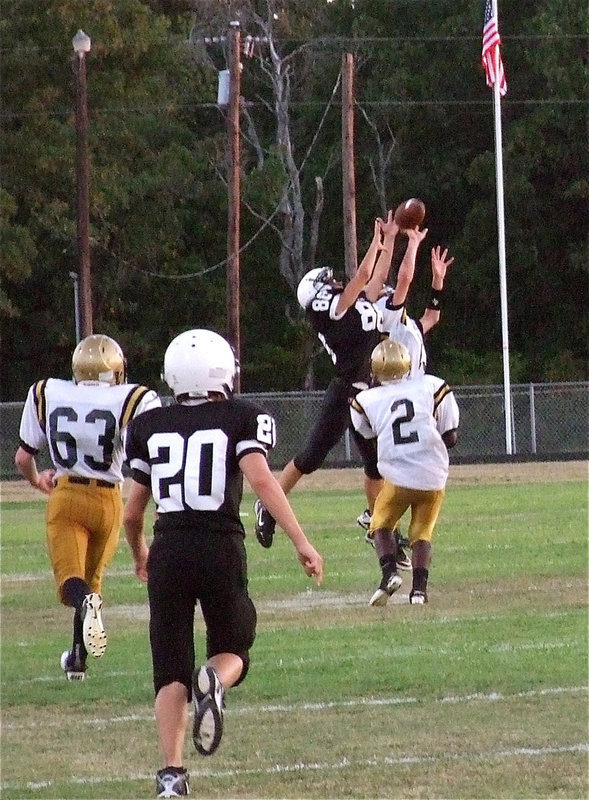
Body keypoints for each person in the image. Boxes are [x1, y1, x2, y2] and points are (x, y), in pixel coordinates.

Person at [122, 329, 323, 799]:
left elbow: (131, 513)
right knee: (235, 648)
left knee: (170, 667)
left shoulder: (148, 424)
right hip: (219, 545)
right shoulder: (242, 416)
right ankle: (214, 678)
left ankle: (171, 774)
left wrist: (140, 554)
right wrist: (301, 541)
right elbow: (263, 482)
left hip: (169, 548)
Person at [14, 334, 160, 680]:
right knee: (90, 584)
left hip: (66, 496)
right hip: (109, 500)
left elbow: (22, 458)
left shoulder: (48, 392)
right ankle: (77, 659)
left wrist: (37, 481)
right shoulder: (134, 398)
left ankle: (83, 621)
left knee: (72, 584)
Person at [253, 217, 391, 551]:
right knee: (311, 456)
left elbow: (375, 278)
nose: (336, 282)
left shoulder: (349, 305)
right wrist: (376, 241)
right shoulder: (331, 311)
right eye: (329, 281)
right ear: (319, 294)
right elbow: (363, 275)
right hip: (346, 392)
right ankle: (267, 505)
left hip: (367, 392)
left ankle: (381, 528)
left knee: (376, 465)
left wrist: (390, 240)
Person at [355, 230, 455, 561]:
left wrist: (438, 281)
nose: (389, 290)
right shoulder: (389, 320)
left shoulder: (407, 326)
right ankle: (378, 521)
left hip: (410, 400)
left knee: (407, 472)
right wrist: (412, 243)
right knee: (415, 470)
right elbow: (405, 279)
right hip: (406, 397)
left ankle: (378, 520)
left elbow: (432, 317)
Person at [350, 338, 459, 606]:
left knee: (380, 524)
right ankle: (419, 592)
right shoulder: (430, 385)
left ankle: (389, 574)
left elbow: (368, 434)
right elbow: (451, 436)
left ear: (375, 369)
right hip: (433, 474)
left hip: (398, 476)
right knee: (422, 532)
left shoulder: (365, 399)